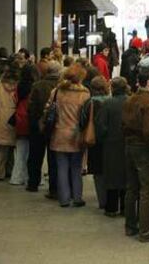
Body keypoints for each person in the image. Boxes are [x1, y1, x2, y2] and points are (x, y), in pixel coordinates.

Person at [122, 69, 149, 242]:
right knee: (147, 191)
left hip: (129, 146)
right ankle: (146, 231)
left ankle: (130, 226)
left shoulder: (130, 99)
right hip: (144, 149)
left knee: (131, 188)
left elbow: (124, 124)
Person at [46, 63, 90, 207]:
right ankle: (77, 197)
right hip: (77, 135)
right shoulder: (85, 94)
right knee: (76, 168)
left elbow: (48, 109)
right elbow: (87, 117)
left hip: (59, 133)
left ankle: (64, 199)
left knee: (61, 167)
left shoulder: (57, 92)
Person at [26, 62, 62, 195]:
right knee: (53, 158)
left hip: (37, 124)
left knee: (35, 155)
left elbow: (30, 107)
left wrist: (36, 120)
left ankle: (33, 183)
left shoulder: (37, 85)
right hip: (55, 126)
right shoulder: (61, 87)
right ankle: (53, 188)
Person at [97, 77, 129, 217]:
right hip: (127, 142)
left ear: (112, 88)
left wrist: (102, 138)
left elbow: (101, 126)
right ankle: (124, 207)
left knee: (111, 175)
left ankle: (111, 207)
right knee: (126, 175)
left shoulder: (107, 104)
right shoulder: (131, 102)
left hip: (111, 144)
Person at [79, 76, 110, 209]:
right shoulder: (110, 101)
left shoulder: (89, 102)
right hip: (108, 140)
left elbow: (82, 121)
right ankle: (110, 198)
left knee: (98, 172)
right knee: (108, 169)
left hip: (94, 141)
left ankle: (102, 200)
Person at [9, 65, 39, 185]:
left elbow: (15, 100)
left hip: (20, 117)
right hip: (31, 118)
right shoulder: (35, 86)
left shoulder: (18, 86)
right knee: (33, 153)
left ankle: (16, 177)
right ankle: (30, 177)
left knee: (20, 151)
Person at [0, 66, 19, 181]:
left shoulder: (0, 85)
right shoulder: (18, 85)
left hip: (2, 117)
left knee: (0, 149)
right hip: (14, 118)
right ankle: (10, 170)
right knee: (12, 148)